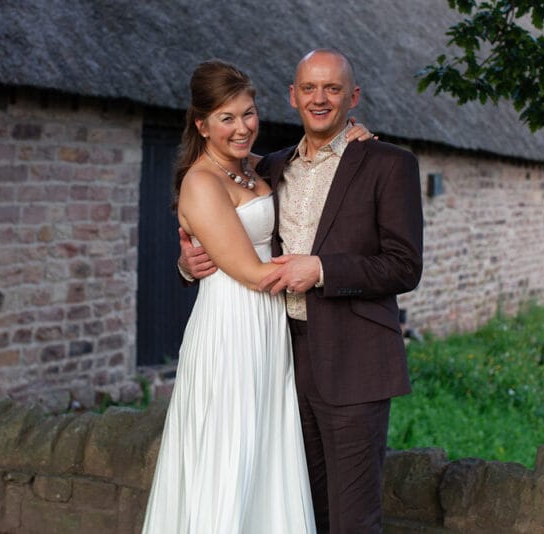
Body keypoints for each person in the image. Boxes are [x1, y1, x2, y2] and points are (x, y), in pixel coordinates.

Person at [179, 49, 424, 533]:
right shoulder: (267, 168)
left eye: (332, 89)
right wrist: (187, 264)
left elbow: (404, 266)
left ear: (352, 97)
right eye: (309, 88)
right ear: (292, 97)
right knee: (298, 509)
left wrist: (324, 269)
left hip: (354, 360)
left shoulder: (388, 163)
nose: (320, 98)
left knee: (353, 517)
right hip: (276, 357)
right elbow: (222, 227)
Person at [142, 59, 374, 534]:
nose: (242, 127)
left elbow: (308, 168)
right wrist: (320, 269)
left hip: (270, 330)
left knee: (268, 451)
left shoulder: (260, 167)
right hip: (232, 330)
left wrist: (346, 139)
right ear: (202, 124)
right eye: (226, 118)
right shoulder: (201, 182)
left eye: (248, 113)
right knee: (232, 451)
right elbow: (251, 271)